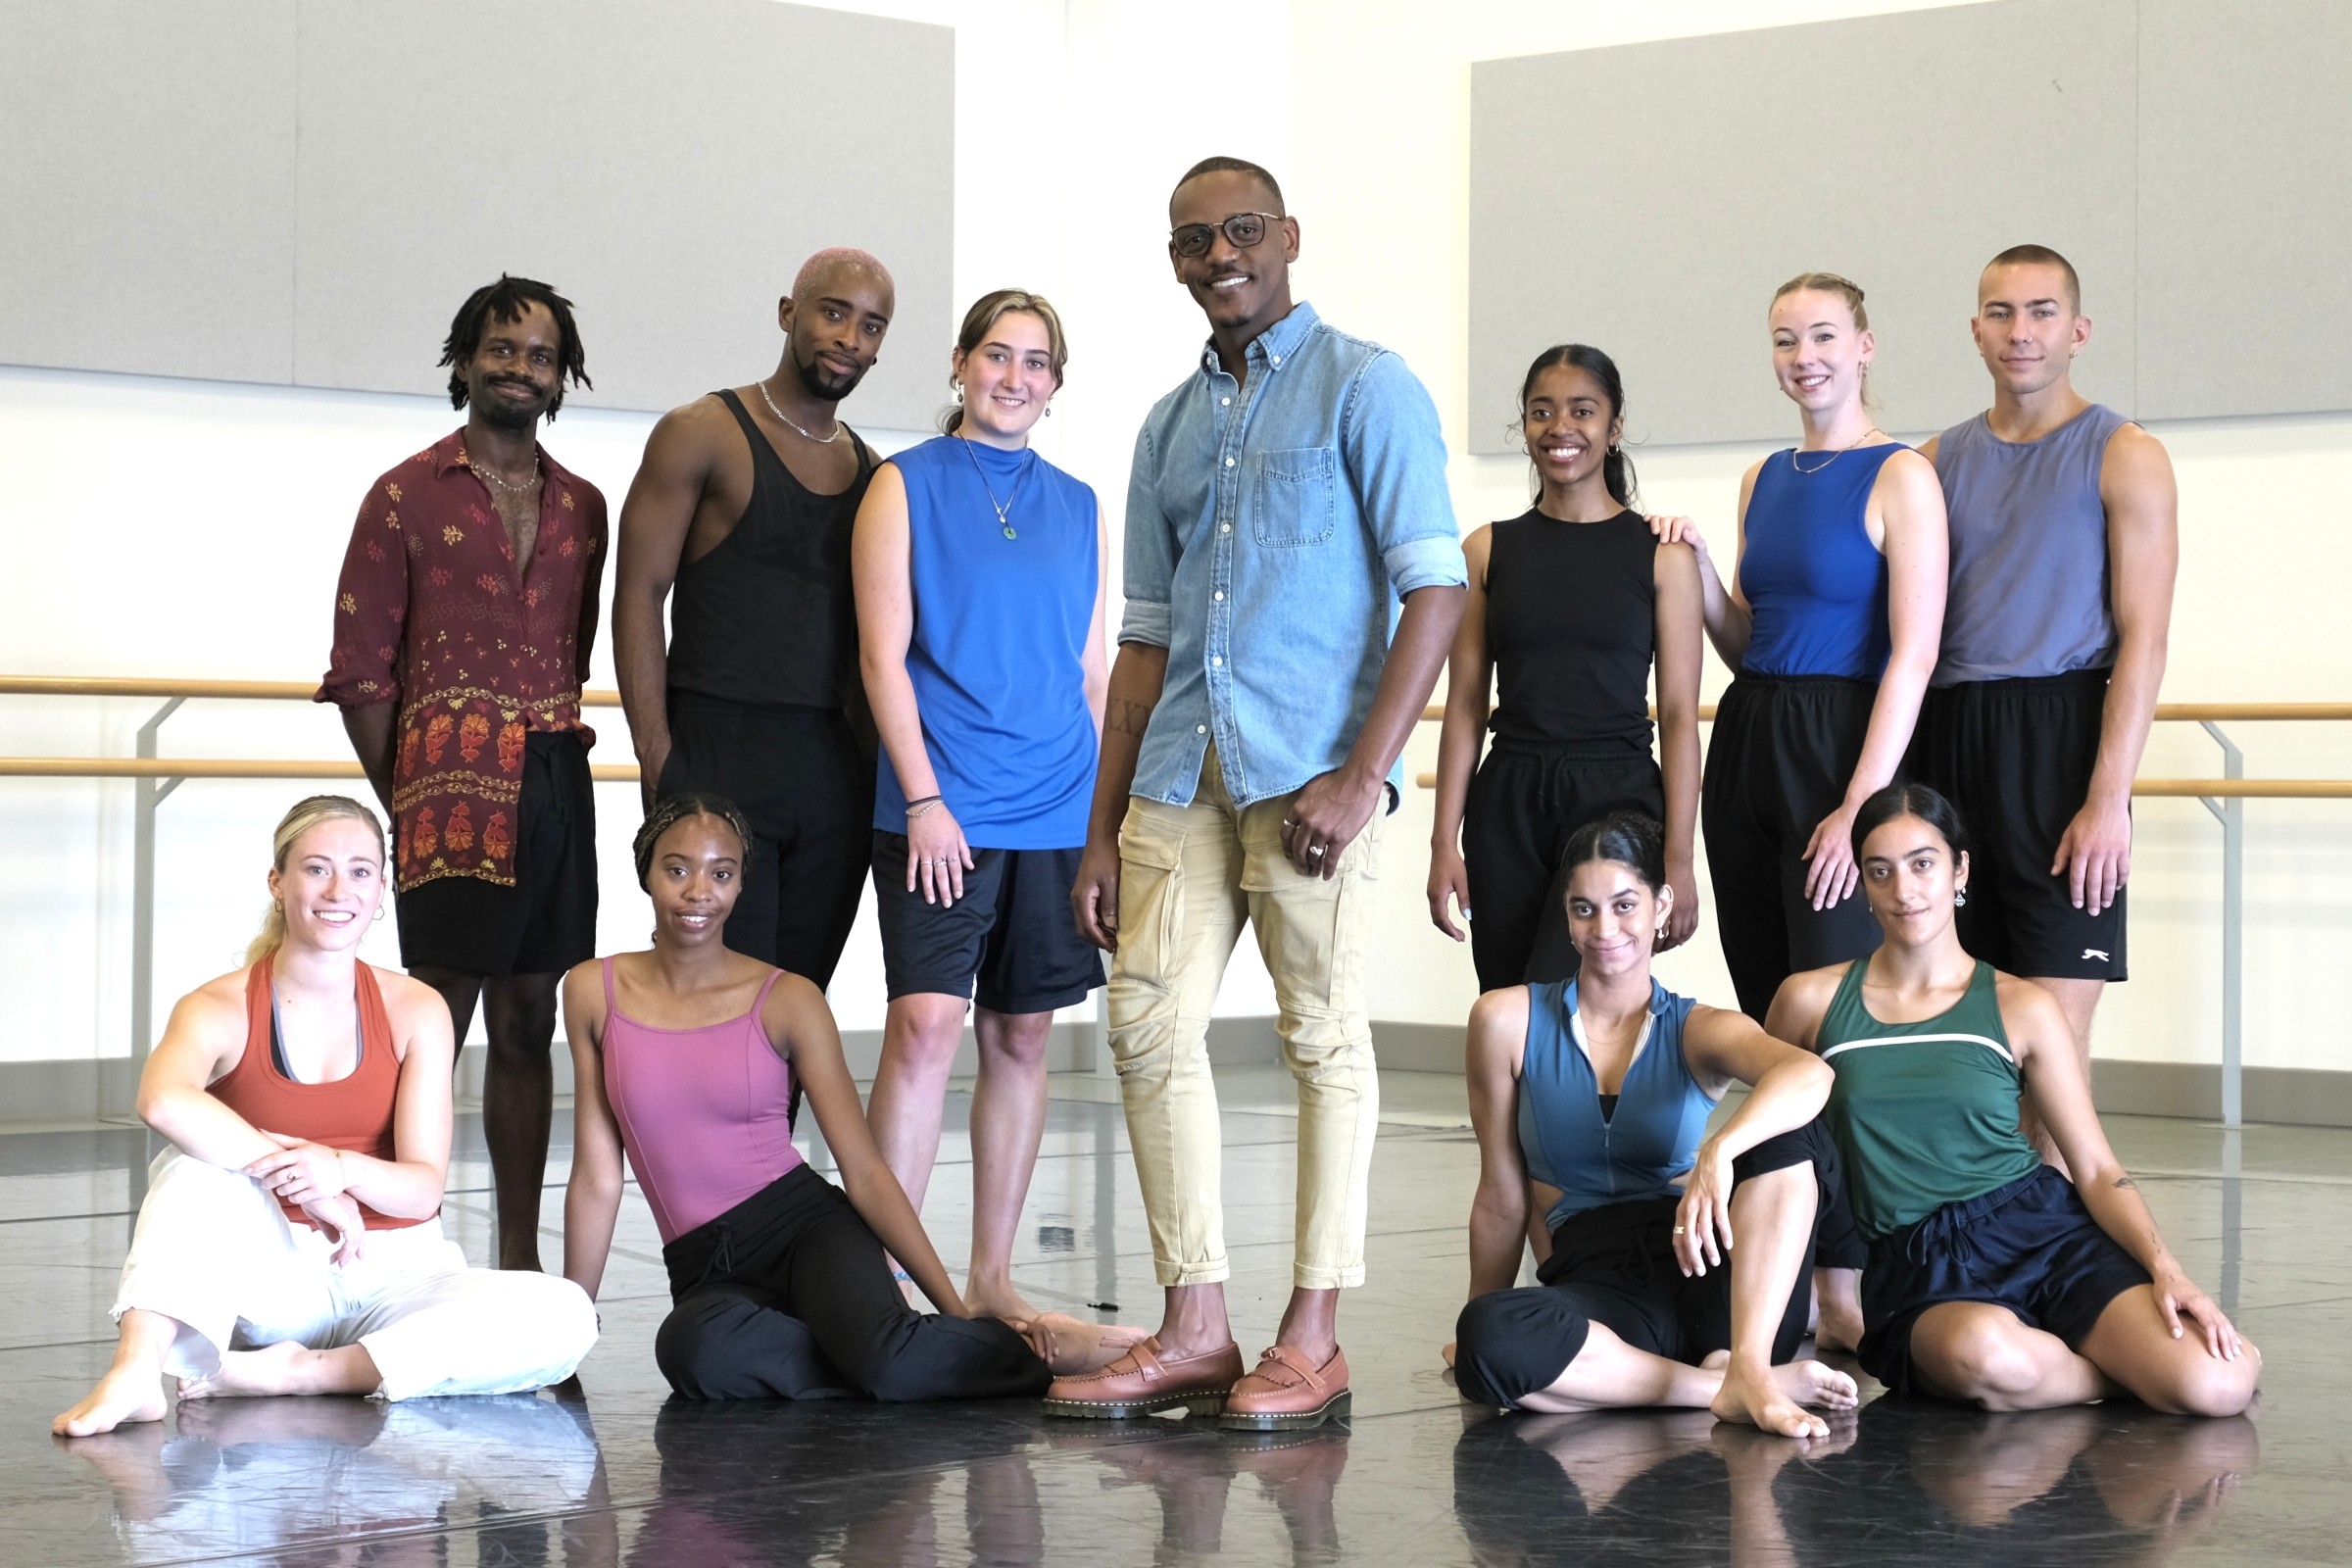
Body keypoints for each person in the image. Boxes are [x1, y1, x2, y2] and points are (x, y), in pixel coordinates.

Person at [1049, 156, 1468, 1430]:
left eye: (1241, 230)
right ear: (1176, 261)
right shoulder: (1166, 428)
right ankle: (1193, 1325)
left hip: (1308, 783)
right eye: (1194, 240)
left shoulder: (1368, 386)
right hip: (1178, 773)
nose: (1220, 255)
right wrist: (1100, 831)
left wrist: (1365, 775)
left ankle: (1315, 1336)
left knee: (1324, 1041)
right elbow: (1143, 638)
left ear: (1288, 235)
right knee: (1143, 1027)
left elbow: (1435, 589)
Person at [561, 794, 1136, 1401]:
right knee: (694, 1354)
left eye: (721, 873)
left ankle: (1025, 1347)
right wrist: (570, 1324)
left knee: (889, 1363)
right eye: (677, 869)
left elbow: (863, 1171)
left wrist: (957, 1314)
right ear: (646, 873)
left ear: (740, 884)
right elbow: (597, 1174)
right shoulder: (593, 991)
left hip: (805, 1231)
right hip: (706, 1267)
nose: (699, 890)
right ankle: (873, 1350)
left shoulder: (787, 998)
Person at [53, 797, 597, 1438]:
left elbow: (422, 1186)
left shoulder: (414, 1008)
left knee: (563, 1313)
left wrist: (335, 1168)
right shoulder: (216, 1006)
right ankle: (136, 1374)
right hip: (276, 1275)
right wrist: (301, 1181)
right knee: (191, 1167)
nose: (340, 890)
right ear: (277, 882)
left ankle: (303, 1373)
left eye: (361, 871)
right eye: (316, 868)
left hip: (398, 1271)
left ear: (382, 889)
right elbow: (163, 1101)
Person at [1766, 782, 2260, 1415]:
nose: (1904, 890)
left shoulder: (2021, 1005)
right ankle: (2114, 1372)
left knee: (2217, 1384)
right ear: (1862, 882)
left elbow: (2097, 1169)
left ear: (1959, 869)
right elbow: (1774, 1147)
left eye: (1923, 865)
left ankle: (2113, 1364)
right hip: (1920, 1267)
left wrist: (2168, 1269)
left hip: (2040, 1232)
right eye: (1880, 871)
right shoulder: (1808, 1002)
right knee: (1985, 1355)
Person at [318, 274, 609, 1271]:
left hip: (557, 782)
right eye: (501, 348)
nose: (519, 367)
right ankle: (401, 1248)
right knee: (431, 1026)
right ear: (463, 360)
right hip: (445, 792)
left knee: (532, 1022)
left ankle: (519, 1264)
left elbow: (573, 651)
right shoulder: (402, 495)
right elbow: (361, 671)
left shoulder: (584, 506)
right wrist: (411, 785)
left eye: (539, 354)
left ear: (561, 375)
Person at [853, 289, 1108, 1320]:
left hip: (1057, 807)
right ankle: (879, 1281)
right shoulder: (901, 485)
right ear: (959, 365)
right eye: (996, 356)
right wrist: (923, 798)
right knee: (922, 1028)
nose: (1015, 377)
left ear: (1055, 382)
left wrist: (1108, 825)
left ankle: (992, 1278)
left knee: (1023, 1036)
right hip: (941, 804)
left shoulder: (1080, 502)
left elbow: (1091, 672)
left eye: (1036, 361)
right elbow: (881, 656)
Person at [1447, 812, 1861, 1438]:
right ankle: (1732, 1386)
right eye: (1583, 909)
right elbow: (1502, 1193)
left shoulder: (1696, 1028)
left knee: (1788, 1131)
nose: (1604, 929)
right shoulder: (1508, 1020)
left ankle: (1744, 1361)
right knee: (1490, 1337)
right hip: (1600, 1280)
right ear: (1565, 913)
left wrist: (1719, 1150)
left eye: (1624, 905)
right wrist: (1474, 1315)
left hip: (1710, 1267)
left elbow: (1810, 1075)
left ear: (1661, 905)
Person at [1910, 246, 2178, 1163]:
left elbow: (2145, 635)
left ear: (2078, 329)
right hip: (1949, 739)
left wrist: (2108, 799)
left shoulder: (2125, 452)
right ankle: (1961, 1260)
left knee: (2052, 1036)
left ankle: (2056, 1263)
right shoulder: (1934, 460)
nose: (2019, 332)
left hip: (2061, 740)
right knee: (1963, 1025)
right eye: (2000, 312)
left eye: (2040, 312)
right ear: (1975, 328)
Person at [1650, 272, 1946, 1024]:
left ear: (1864, 348)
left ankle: (1845, 1141)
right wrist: (1701, 568)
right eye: (1786, 341)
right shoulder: (1763, 477)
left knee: (1834, 984)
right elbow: (1749, 641)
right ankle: (1788, 1143)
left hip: (1840, 740)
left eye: (1823, 337)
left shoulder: (1903, 475)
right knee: (1766, 986)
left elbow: (1914, 656)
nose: (1803, 356)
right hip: (1750, 733)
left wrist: (1859, 804)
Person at [612, 248, 897, 992]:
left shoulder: (876, 472)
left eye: (871, 327)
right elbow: (639, 593)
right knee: (715, 1005)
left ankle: (778, 1119)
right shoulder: (701, 431)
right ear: (787, 313)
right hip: (715, 754)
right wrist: (658, 758)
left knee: (794, 1004)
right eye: (834, 313)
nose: (850, 339)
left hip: (831, 771)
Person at [1428, 344, 1704, 991]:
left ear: (1614, 428)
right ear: (1523, 427)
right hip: (1510, 798)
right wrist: (1445, 841)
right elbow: (1466, 705)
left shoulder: (1661, 556)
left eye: (1583, 411)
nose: (1560, 427)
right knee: (1505, 1000)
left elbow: (1683, 719)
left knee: (1567, 995)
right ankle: (1504, 1100)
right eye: (1541, 412)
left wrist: (1681, 859)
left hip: (1619, 797)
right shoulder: (1487, 550)